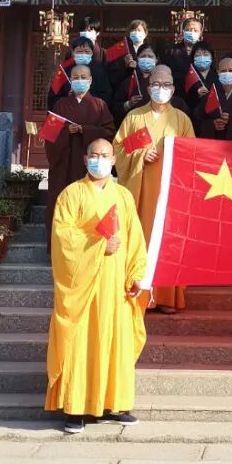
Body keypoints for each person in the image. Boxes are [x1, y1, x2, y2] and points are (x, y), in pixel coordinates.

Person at [45, 137, 146, 435]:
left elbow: (135, 238)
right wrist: (99, 244)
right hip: (82, 287)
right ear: (85, 158)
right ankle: (75, 409)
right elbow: (62, 239)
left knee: (115, 342)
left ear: (114, 160)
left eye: (104, 155)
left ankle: (115, 404)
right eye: (94, 155)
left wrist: (136, 274)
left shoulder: (123, 196)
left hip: (115, 285)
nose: (98, 160)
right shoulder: (71, 194)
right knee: (81, 342)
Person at [114, 64, 195, 313]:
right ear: (148, 88)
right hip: (140, 192)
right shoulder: (134, 117)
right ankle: (138, 295)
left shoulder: (181, 119)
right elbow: (118, 150)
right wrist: (140, 155)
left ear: (174, 89)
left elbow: (192, 155)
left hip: (169, 193)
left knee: (167, 242)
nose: (161, 89)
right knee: (140, 239)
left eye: (166, 85)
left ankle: (167, 297)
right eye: (157, 84)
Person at [43, 62, 116, 244]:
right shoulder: (60, 104)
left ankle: (92, 243)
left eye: (84, 77)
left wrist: (85, 130)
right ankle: (58, 245)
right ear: (70, 80)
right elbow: (49, 134)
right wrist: (66, 131)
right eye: (75, 78)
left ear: (90, 81)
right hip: (64, 164)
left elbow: (109, 132)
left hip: (89, 165)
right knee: (61, 203)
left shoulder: (99, 105)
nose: (80, 81)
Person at [113, 43, 159, 124]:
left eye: (150, 56)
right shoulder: (130, 80)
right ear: (137, 58)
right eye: (143, 56)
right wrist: (129, 104)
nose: (146, 59)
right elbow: (115, 106)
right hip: (133, 123)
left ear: (156, 59)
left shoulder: (162, 80)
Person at [106, 18, 151, 96]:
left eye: (139, 30)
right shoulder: (121, 51)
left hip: (145, 90)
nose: (136, 33)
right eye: (133, 30)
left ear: (145, 33)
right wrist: (126, 67)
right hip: (125, 92)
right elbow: (113, 75)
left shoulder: (150, 52)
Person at [166, 15, 205, 96]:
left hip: (199, 95)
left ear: (200, 33)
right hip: (177, 94)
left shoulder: (205, 52)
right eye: (188, 30)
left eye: (195, 30)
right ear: (183, 31)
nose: (192, 33)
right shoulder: (172, 51)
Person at [183, 40, 216, 116]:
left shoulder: (217, 75)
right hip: (192, 115)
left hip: (212, 116)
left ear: (211, 57)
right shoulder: (187, 75)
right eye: (198, 55)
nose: (202, 57)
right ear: (193, 58)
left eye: (205, 54)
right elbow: (183, 98)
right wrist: (195, 94)